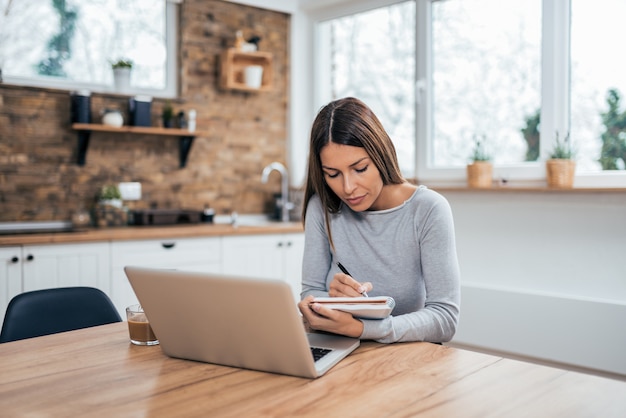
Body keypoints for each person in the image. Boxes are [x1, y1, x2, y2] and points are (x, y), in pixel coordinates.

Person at [298, 97, 460, 343]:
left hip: (409, 360)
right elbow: (311, 293)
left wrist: (362, 328)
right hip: (344, 353)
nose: (348, 187)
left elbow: (444, 319)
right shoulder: (321, 207)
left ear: (380, 154)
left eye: (360, 169)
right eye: (333, 174)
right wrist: (326, 305)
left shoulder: (428, 209)